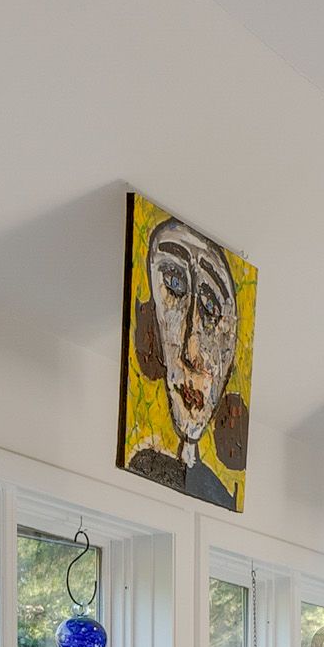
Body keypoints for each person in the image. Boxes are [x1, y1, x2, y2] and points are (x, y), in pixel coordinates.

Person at [122, 209, 250, 509]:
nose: (192, 352)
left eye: (211, 306)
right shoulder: (144, 463)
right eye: (174, 285)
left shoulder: (221, 495)